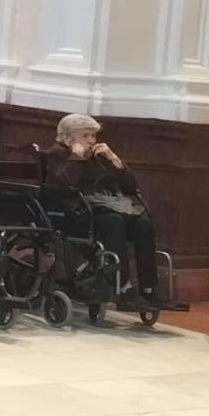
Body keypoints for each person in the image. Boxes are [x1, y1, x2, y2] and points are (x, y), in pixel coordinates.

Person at [46, 113, 161, 307]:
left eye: (93, 136)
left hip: (106, 207)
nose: (92, 141)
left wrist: (114, 160)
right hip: (77, 212)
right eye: (85, 136)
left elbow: (130, 186)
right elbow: (64, 184)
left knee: (143, 224)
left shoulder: (98, 157)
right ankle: (122, 287)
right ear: (67, 138)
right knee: (114, 222)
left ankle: (149, 288)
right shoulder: (57, 154)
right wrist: (76, 157)